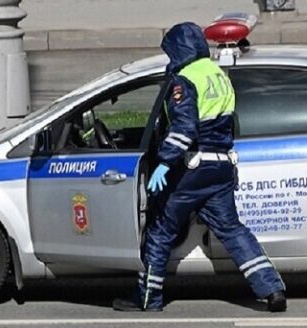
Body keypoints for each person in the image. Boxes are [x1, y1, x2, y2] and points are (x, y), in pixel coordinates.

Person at [113, 22, 287, 312]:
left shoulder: (185, 80)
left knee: (160, 230)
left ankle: (148, 298)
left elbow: (184, 128)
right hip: (221, 168)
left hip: (191, 168)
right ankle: (272, 289)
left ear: (179, 50)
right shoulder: (218, 74)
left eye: (171, 53)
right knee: (232, 230)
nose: (170, 60)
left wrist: (165, 163)